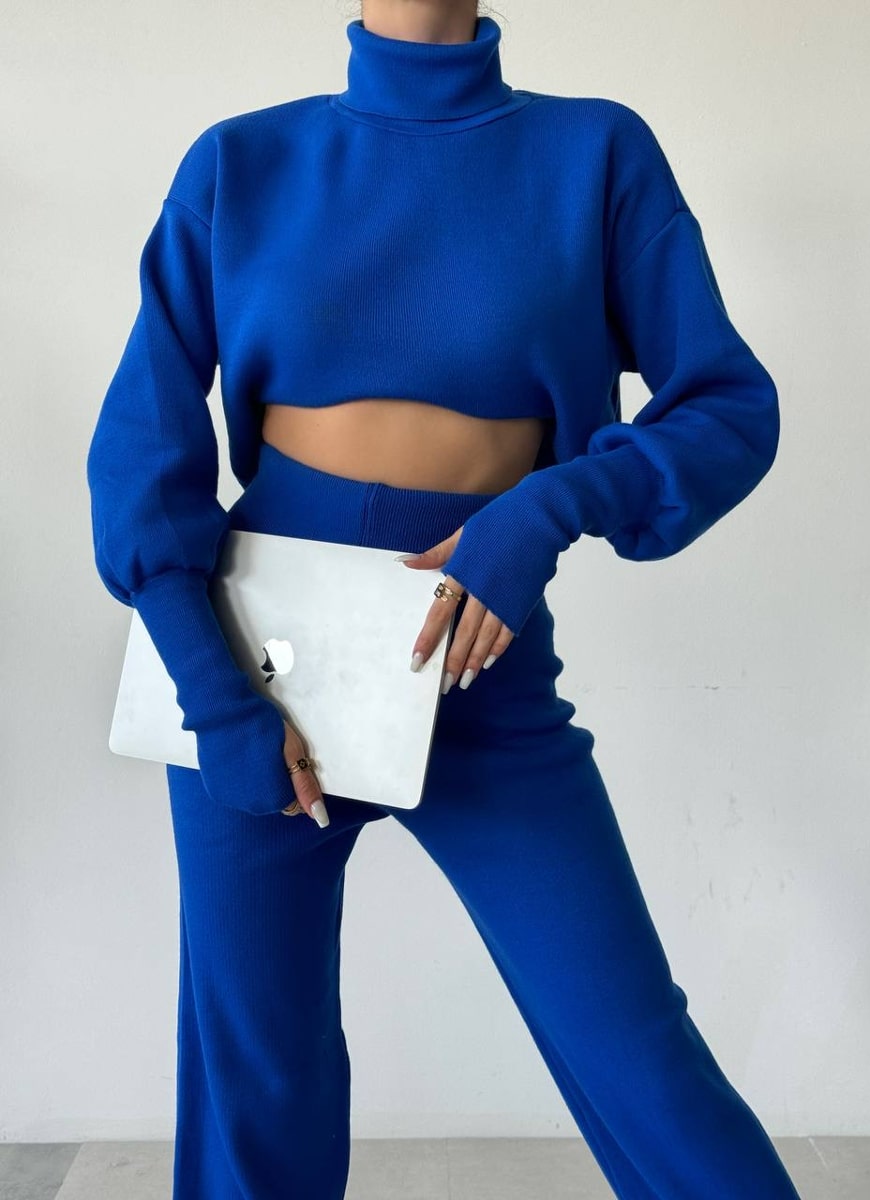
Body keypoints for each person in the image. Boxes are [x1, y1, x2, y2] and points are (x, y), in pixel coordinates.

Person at [85, 1, 804, 1197]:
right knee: (257, 1085)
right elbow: (140, 454)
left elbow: (730, 407)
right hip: (254, 665)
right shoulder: (239, 162)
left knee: (635, 1051)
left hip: (478, 659)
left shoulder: (596, 154)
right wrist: (216, 698)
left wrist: (546, 509)